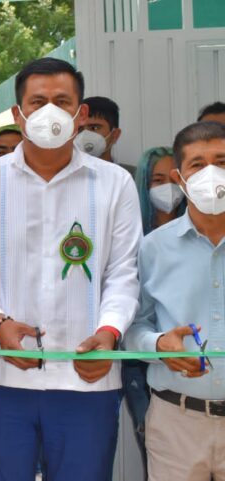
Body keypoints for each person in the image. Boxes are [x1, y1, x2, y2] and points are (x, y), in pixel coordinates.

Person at [0, 57, 142, 481]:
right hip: (3, 375)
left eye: (62, 101)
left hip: (88, 377)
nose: (50, 112)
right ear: (19, 115)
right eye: (37, 102)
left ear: (81, 115)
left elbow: (123, 272)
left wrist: (110, 333)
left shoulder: (115, 183)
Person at [125, 121, 225, 481]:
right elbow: (134, 326)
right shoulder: (153, 247)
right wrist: (159, 345)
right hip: (176, 421)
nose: (212, 172)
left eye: (222, 161)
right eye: (198, 164)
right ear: (180, 179)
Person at [74, 96, 136, 176]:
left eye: (94, 128)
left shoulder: (132, 176)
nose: (85, 133)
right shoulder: (64, 176)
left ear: (115, 135)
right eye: (80, 129)